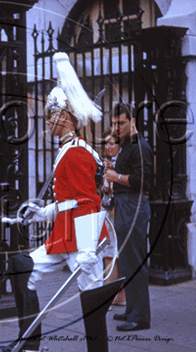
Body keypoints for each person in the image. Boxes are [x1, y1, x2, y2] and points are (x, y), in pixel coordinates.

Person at [0, 52, 107, 352]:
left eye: (50, 114)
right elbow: (67, 202)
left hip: (83, 240)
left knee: (92, 305)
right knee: (22, 266)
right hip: (64, 235)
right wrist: (42, 213)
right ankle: (28, 346)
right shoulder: (68, 149)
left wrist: (88, 249)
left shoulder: (77, 152)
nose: (46, 120)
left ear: (64, 116)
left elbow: (88, 202)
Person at [105, 102, 153, 332]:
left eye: (121, 123)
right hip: (125, 205)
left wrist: (116, 177)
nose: (117, 127)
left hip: (133, 206)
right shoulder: (126, 146)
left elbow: (142, 181)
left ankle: (140, 316)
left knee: (135, 262)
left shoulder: (140, 146)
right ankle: (132, 309)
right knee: (126, 261)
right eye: (114, 123)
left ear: (132, 121)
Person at [101, 128, 126, 307]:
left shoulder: (121, 165)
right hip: (107, 212)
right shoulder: (107, 164)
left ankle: (110, 295)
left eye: (111, 143)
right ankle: (118, 294)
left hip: (117, 213)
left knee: (114, 254)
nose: (108, 146)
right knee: (110, 254)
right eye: (105, 143)